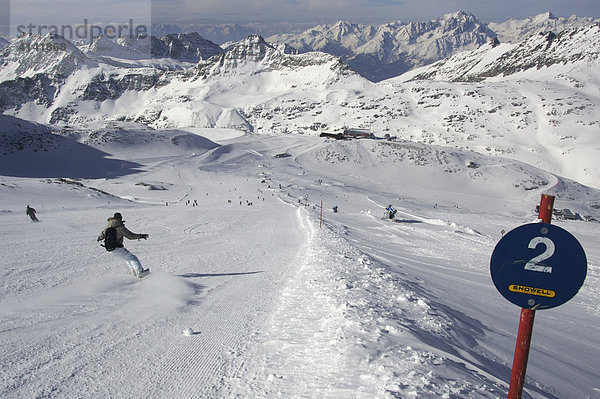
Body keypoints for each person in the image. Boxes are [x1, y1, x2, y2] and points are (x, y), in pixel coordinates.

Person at [97, 212, 149, 277]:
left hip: (109, 248)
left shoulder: (109, 225)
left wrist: (100, 238)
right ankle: (140, 272)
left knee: (127, 258)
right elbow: (130, 236)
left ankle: (133, 272)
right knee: (132, 258)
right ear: (120, 218)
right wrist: (141, 236)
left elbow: (103, 234)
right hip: (117, 247)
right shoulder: (120, 227)